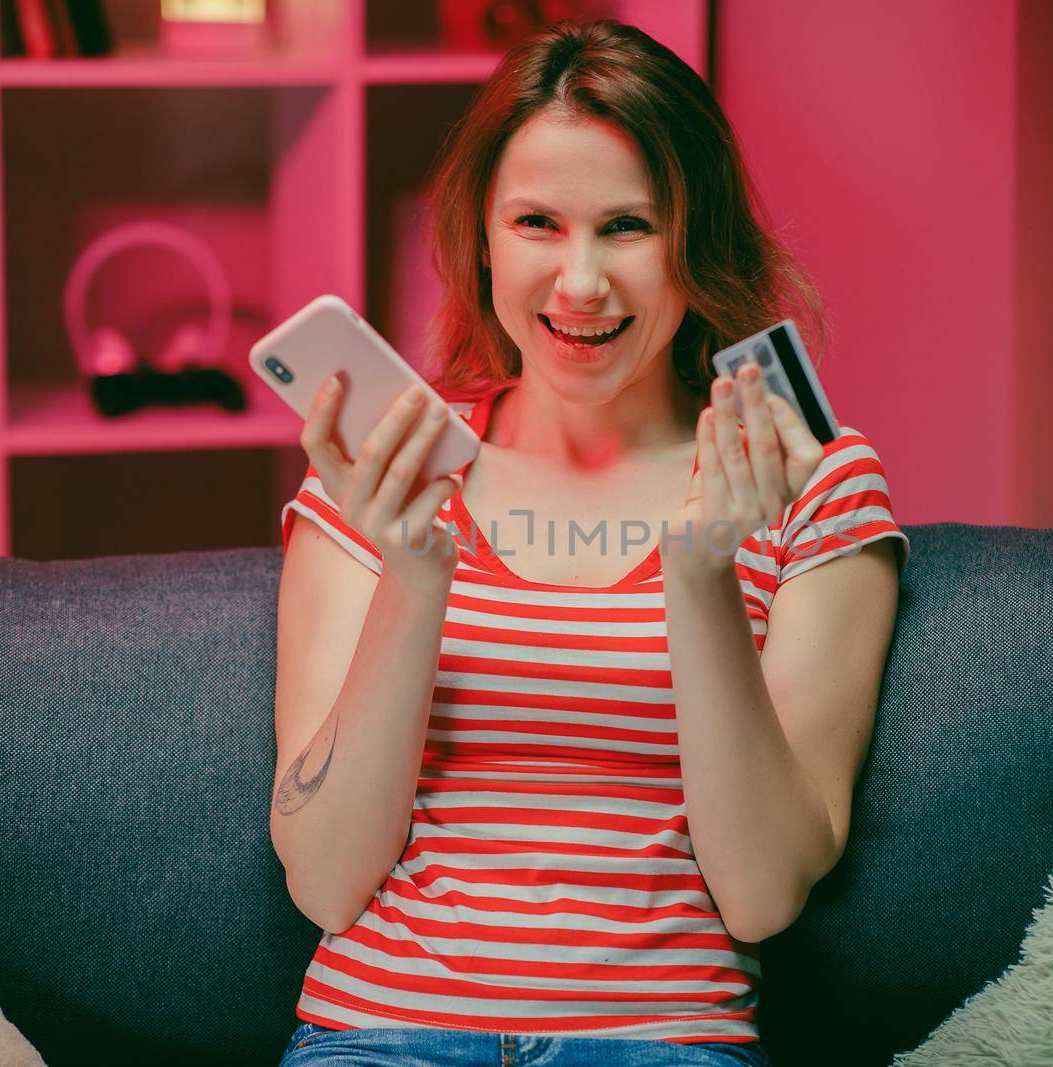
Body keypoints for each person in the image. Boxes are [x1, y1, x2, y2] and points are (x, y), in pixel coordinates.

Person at [269, 17, 909, 1066]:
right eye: (536, 223)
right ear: (481, 235)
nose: (579, 282)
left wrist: (701, 573)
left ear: (694, 241)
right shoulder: (378, 476)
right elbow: (327, 879)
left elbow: (761, 891)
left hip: (659, 1040)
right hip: (381, 1032)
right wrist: (417, 567)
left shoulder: (810, 484)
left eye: (626, 226)